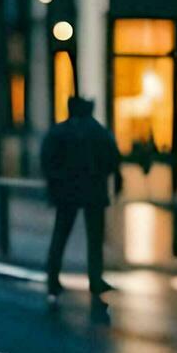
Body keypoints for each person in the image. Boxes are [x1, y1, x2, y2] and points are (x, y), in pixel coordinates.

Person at [40, 97, 122, 301]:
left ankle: (53, 280)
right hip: (94, 191)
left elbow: (47, 161)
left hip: (66, 192)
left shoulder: (59, 132)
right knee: (95, 239)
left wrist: (55, 183)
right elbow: (113, 158)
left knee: (60, 235)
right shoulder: (98, 131)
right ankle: (95, 280)